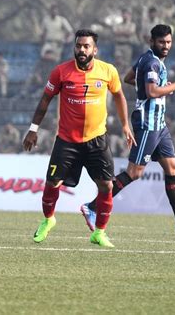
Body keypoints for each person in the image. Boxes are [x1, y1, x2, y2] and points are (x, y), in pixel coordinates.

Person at [80, 24, 175, 236]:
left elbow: (130, 78)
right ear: (152, 42)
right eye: (161, 42)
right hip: (148, 124)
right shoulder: (151, 62)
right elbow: (150, 92)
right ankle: (92, 207)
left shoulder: (148, 60)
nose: (166, 46)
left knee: (173, 169)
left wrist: (159, 86)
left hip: (159, 125)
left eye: (168, 42)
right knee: (134, 172)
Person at [23, 29, 135, 248]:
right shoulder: (61, 72)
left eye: (86, 46)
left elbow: (119, 97)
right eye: (78, 46)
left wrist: (124, 125)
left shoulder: (108, 71)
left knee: (106, 186)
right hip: (67, 141)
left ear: (95, 49)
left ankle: (99, 233)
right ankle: (48, 220)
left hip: (97, 140)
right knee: (52, 182)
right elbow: (45, 100)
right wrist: (33, 128)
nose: (81, 50)